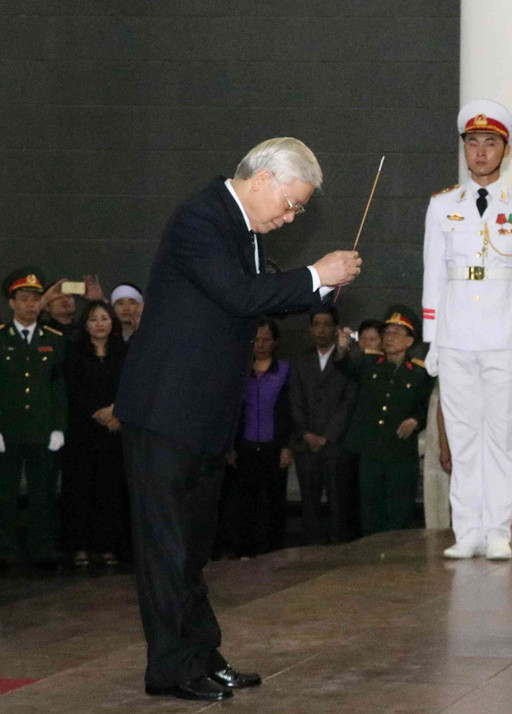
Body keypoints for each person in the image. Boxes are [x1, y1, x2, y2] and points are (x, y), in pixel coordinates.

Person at [114, 137, 362, 702]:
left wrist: (322, 288)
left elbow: (260, 300)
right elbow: (237, 293)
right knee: (167, 548)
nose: (291, 215)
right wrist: (314, 273)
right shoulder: (201, 217)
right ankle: (170, 669)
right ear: (264, 179)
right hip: (165, 410)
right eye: (292, 203)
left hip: (201, 415)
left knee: (195, 546)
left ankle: (201, 654)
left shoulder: (244, 230)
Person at [422, 99, 512, 560]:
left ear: (506, 150)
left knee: (501, 434)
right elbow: (433, 273)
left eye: (490, 143)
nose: (480, 152)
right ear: (464, 149)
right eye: (473, 143)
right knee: (462, 434)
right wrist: (431, 338)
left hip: (506, 333)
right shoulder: (442, 206)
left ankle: (498, 528)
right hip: (456, 331)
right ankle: (468, 529)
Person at [343, 306, 434, 535]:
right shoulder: (370, 364)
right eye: (387, 333)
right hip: (372, 453)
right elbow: (344, 364)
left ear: (410, 340)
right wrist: (342, 347)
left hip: (401, 454)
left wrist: (416, 420)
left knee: (398, 515)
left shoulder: (419, 372)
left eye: (396, 333)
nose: (389, 338)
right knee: (371, 515)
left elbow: (427, 405)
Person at [0, 268, 67, 571]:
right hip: (8, 430)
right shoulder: (2, 338)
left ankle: (42, 548)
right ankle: (6, 549)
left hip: (42, 429)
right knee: (6, 493)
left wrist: (59, 427)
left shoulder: (53, 339)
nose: (30, 305)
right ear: (12, 302)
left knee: (42, 493)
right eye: (24, 299)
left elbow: (59, 386)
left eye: (35, 299)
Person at [62, 300, 128, 568]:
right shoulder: (75, 353)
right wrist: (97, 412)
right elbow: (73, 389)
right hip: (83, 431)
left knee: (110, 490)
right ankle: (81, 546)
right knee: (82, 489)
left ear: (112, 322)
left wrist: (116, 411)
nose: (99, 323)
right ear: (85, 324)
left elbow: (132, 386)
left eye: (104, 318)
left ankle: (109, 546)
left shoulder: (124, 352)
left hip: (115, 430)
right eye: (93, 319)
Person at [220, 318, 292, 558]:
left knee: (274, 500)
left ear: (275, 342)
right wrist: (230, 445)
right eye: (257, 340)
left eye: (266, 340)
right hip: (245, 446)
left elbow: (289, 410)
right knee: (243, 501)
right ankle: (243, 550)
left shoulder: (284, 370)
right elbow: (230, 410)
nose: (261, 344)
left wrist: (287, 445)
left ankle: (274, 550)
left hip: (274, 446)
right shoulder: (239, 370)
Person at [289, 306, 357, 545]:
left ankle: (339, 555)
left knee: (339, 504)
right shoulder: (299, 361)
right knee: (309, 504)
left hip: (335, 445)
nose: (321, 330)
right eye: (316, 324)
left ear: (336, 329)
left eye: (326, 325)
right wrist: (306, 434)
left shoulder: (346, 360)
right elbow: (294, 401)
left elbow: (348, 402)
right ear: (310, 329)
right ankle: (310, 554)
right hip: (306, 446)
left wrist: (326, 436)